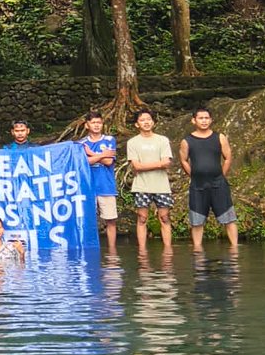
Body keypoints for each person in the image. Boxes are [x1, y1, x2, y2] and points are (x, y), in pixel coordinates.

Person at [181, 107, 237, 249]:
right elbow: (183, 160)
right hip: (198, 186)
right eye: (201, 118)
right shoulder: (187, 141)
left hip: (219, 184)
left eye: (207, 118)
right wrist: (193, 174)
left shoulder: (219, 137)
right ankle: (198, 250)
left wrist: (221, 174)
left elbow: (228, 157)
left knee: (229, 218)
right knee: (197, 220)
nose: (204, 121)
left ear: (211, 120)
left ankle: (235, 249)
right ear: (194, 120)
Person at [127, 109, 174, 252]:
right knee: (142, 218)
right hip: (142, 185)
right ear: (137, 124)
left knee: (164, 217)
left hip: (161, 185)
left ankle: (168, 250)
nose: (146, 122)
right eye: (142, 120)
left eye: (148, 119)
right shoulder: (132, 142)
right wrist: (158, 164)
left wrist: (145, 166)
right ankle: (142, 251)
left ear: (153, 122)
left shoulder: (162, 140)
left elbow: (166, 162)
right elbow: (136, 166)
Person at [80, 111, 119, 251]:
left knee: (110, 220)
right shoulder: (81, 144)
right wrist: (99, 155)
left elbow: (109, 161)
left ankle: (112, 251)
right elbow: (84, 163)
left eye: (99, 122)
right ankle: (90, 250)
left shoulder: (109, 140)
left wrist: (91, 154)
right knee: (88, 221)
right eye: (93, 123)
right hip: (88, 187)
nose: (96, 125)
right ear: (87, 125)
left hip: (106, 185)